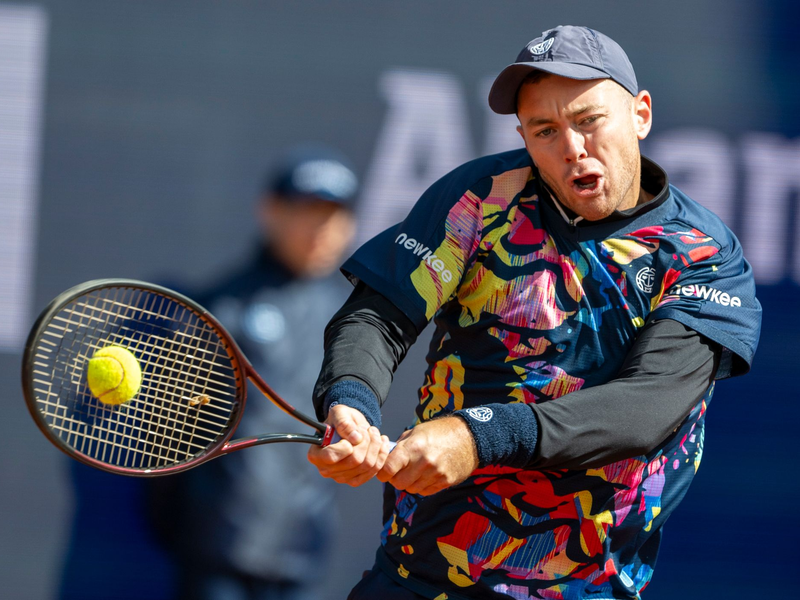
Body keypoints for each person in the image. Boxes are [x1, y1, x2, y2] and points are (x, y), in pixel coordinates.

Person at [307, 26, 762, 600]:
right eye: (546, 130)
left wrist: (475, 436)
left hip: (586, 587)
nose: (572, 147)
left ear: (640, 115)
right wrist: (351, 400)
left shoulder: (702, 254)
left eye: (589, 119)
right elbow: (379, 316)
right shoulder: (481, 196)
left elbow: (643, 408)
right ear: (523, 136)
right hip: (420, 574)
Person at [148, 144, 359, 600]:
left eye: (334, 215)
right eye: (308, 211)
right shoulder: (221, 307)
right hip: (217, 557)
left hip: (304, 559)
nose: (321, 229)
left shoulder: (355, 322)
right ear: (270, 211)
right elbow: (169, 437)